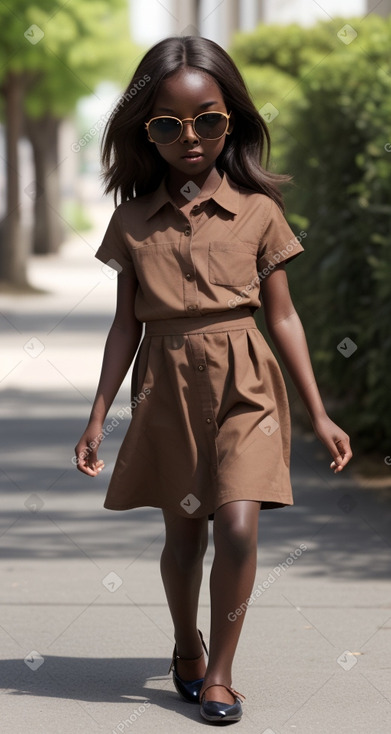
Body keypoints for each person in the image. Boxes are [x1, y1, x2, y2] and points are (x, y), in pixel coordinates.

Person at [74, 35, 352, 725]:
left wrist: (319, 413)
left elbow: (283, 318)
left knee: (236, 527)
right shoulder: (133, 222)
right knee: (185, 534)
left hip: (246, 385)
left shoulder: (259, 212)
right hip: (164, 386)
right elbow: (125, 326)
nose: (188, 137)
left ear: (232, 122)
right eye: (167, 124)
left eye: (208, 120)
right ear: (146, 130)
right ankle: (185, 645)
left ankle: (220, 675)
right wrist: (98, 413)